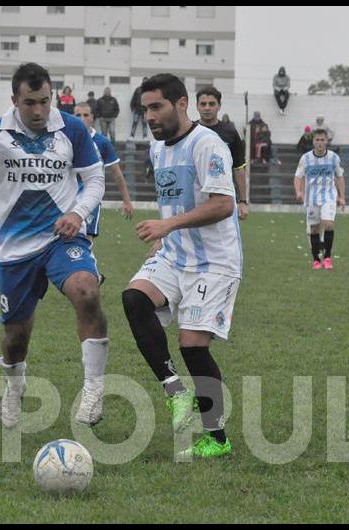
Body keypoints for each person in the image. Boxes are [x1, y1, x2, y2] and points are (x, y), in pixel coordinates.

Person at [0, 62, 109, 428]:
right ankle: (14, 385)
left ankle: (94, 390)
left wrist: (78, 213)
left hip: (62, 238)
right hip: (16, 249)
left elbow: (95, 179)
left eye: (45, 102)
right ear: (14, 99)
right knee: (16, 336)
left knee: (87, 291)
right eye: (30, 103)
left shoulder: (72, 129)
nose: (39, 111)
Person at [122, 73, 241, 459]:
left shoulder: (208, 145)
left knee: (192, 346)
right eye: (145, 109)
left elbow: (224, 204)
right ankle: (175, 390)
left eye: (157, 107)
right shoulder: (157, 150)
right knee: (135, 299)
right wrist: (164, 235)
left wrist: (168, 224)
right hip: (175, 254)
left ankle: (217, 438)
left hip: (214, 261)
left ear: (182, 103)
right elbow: (175, 198)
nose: (150, 116)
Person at [73, 101, 135, 241]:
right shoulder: (66, 140)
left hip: (90, 199)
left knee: (86, 241)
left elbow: (117, 175)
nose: (81, 118)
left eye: (85, 115)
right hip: (66, 198)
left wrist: (127, 201)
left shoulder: (102, 142)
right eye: (77, 115)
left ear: (92, 117)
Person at [294, 128, 345, 270]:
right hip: (311, 198)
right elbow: (298, 177)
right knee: (314, 229)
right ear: (313, 142)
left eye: (322, 140)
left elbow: (340, 177)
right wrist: (298, 192)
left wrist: (342, 197)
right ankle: (316, 259)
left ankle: (327, 257)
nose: (320, 143)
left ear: (326, 141)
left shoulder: (334, 157)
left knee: (328, 224)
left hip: (329, 196)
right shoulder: (305, 158)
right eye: (317, 140)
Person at [195, 85, 249, 220]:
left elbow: (239, 168)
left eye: (212, 104)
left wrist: (243, 201)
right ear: (197, 106)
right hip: (194, 200)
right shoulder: (190, 131)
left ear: (219, 106)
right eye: (203, 104)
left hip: (224, 199)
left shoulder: (230, 132)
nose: (207, 107)